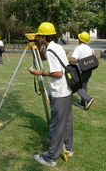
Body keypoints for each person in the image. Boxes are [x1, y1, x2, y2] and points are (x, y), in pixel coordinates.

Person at [28, 22, 73, 167]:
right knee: (66, 122)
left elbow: (58, 73)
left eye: (38, 35)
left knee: (56, 125)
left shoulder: (50, 50)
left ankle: (51, 157)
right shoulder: (56, 47)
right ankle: (69, 147)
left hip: (59, 92)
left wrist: (39, 72)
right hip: (67, 90)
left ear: (43, 36)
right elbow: (45, 59)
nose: (37, 37)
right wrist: (36, 46)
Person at [71, 32, 94, 110]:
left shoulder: (78, 48)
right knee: (84, 85)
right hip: (89, 69)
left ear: (80, 39)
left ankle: (88, 99)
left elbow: (75, 60)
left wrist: (69, 62)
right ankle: (82, 103)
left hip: (81, 70)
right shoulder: (89, 48)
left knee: (75, 85)